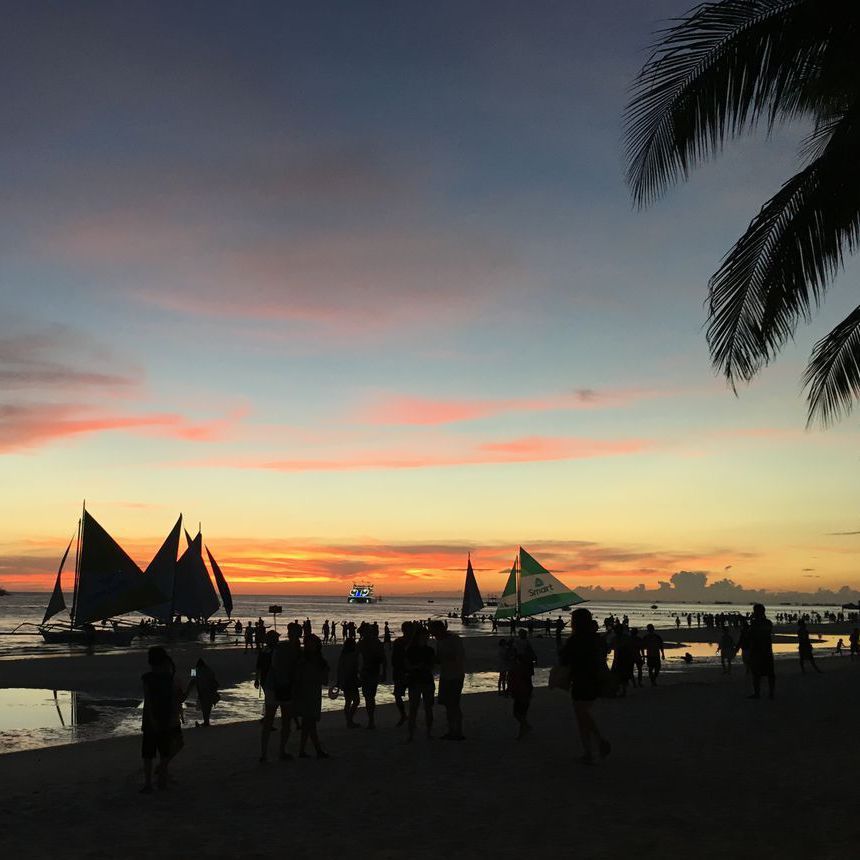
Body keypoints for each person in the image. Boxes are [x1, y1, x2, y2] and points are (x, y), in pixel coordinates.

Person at [559, 608, 610, 766]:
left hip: (581, 679)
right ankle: (589, 750)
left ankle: (598, 742)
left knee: (581, 713)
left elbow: (564, 659)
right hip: (594, 678)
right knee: (582, 714)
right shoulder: (595, 638)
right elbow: (604, 653)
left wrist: (558, 638)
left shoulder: (575, 640)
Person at [141, 646, 186, 793]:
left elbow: (148, 701)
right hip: (164, 719)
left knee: (149, 754)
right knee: (163, 752)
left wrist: (152, 719)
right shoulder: (168, 678)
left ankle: (149, 783)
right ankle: (161, 781)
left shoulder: (148, 678)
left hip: (152, 721)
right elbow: (174, 698)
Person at [260, 622, 301, 762]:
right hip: (276, 686)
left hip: (282, 686)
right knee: (271, 720)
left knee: (284, 721)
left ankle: (278, 751)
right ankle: (265, 753)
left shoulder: (293, 649)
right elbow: (276, 665)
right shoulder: (283, 647)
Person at [294, 634, 330, 759]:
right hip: (306, 693)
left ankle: (302, 751)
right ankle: (317, 750)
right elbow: (298, 677)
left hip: (313, 693)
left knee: (307, 723)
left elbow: (325, 680)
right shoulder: (304, 660)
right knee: (310, 723)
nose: (309, 646)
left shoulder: (317, 661)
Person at [430, 619, 465, 740]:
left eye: (435, 633)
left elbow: (459, 657)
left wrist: (446, 659)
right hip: (445, 676)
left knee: (454, 704)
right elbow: (439, 659)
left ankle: (458, 731)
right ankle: (451, 730)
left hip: (455, 676)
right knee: (447, 705)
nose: (434, 636)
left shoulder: (454, 639)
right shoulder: (439, 641)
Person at [405, 624, 435, 741]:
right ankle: (411, 734)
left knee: (428, 708)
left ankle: (429, 732)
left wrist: (425, 666)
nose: (425, 638)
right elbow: (407, 665)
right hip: (415, 680)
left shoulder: (429, 650)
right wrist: (417, 666)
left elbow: (432, 665)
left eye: (426, 636)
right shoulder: (411, 650)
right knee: (413, 708)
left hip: (427, 680)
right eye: (424, 636)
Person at [744, 603, 776, 699]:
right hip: (765, 650)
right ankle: (770, 693)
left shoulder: (757, 623)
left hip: (758, 651)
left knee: (758, 674)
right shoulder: (767, 622)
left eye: (755, 611)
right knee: (767, 673)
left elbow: (751, 635)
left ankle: (759, 693)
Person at [357, 625, 386, 729]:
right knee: (369, 696)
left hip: (370, 672)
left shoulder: (366, 643)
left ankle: (371, 720)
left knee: (369, 696)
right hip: (369, 672)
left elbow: (383, 659)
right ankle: (371, 720)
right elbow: (383, 659)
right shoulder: (372, 642)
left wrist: (384, 672)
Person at [509, 629, 536, 739]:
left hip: (523, 689)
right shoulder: (525, 647)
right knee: (520, 712)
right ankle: (524, 729)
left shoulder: (523, 662)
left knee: (518, 712)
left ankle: (525, 728)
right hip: (523, 689)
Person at [336, 637, 361, 728]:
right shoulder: (352, 655)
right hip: (351, 680)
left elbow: (339, 669)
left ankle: (349, 721)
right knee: (356, 701)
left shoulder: (343, 655)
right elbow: (354, 669)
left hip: (345, 680)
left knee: (348, 702)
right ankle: (349, 720)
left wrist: (339, 681)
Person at [390, 622, 412, 726]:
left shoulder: (413, 642)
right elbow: (394, 658)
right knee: (398, 695)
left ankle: (408, 716)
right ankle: (404, 715)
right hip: (400, 671)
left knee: (412, 696)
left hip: (410, 672)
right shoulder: (399, 642)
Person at [188, 658, 219, 727]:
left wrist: (188, 690)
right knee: (207, 707)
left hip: (203, 691)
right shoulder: (209, 670)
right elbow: (213, 679)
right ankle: (206, 721)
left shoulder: (194, 670)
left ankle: (206, 722)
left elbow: (192, 680)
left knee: (204, 707)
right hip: (209, 691)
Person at [610, 625, 635, 696]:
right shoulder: (618, 638)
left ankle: (622, 691)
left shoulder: (623, 638)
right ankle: (621, 690)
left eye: (616, 630)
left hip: (623, 659)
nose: (615, 631)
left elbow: (630, 648)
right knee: (619, 675)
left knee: (621, 675)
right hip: (619, 659)